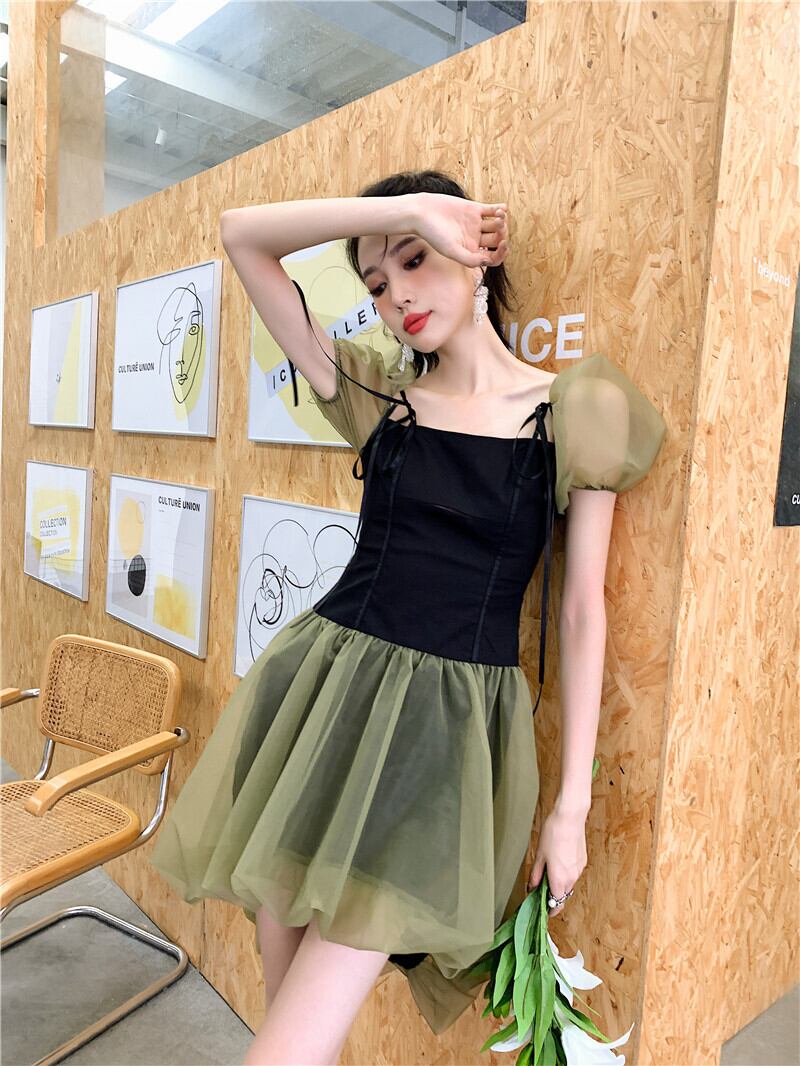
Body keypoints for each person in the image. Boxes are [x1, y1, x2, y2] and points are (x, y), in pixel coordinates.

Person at [148, 169, 667, 1066]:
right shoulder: (378, 396)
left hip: (438, 747)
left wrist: (571, 808)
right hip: (317, 717)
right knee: (290, 1030)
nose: (397, 295)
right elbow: (243, 236)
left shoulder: (575, 410)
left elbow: (583, 612)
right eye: (377, 281)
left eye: (416, 261)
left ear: (479, 250)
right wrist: (401, 216)